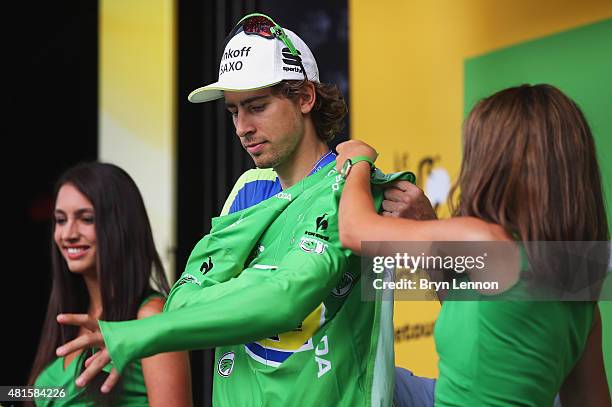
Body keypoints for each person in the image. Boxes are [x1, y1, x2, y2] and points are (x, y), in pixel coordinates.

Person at [52, 13, 423, 406]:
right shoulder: (249, 188)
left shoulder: (355, 182)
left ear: (305, 98)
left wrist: (432, 238)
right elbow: (184, 301)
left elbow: (284, 299)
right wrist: (257, 291)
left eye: (257, 106)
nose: (242, 126)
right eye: (233, 111)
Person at [336, 84, 610, 406]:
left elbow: (355, 230)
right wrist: (428, 228)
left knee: (350, 374)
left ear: (495, 164)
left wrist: (356, 163)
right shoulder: (580, 291)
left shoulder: (482, 240)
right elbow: (483, 328)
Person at [28, 162, 192, 406]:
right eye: (60, 220)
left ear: (120, 225)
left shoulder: (150, 316)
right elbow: (41, 394)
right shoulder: (72, 317)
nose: (68, 234)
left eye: (86, 219)